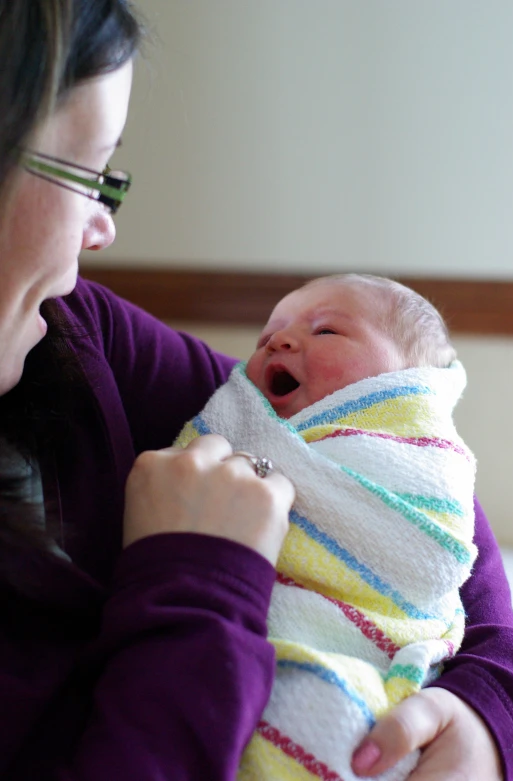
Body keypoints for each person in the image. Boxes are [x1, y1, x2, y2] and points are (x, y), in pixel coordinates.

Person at [0, 2, 513, 780]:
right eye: (85, 171)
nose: (102, 230)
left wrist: (487, 709)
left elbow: (403, 473)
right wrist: (200, 573)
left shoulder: (71, 334)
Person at [175, 273, 478, 780]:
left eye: (326, 331)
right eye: (266, 335)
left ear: (403, 383)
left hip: (365, 657)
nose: (279, 340)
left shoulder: (423, 461)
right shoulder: (250, 425)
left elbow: (435, 555)